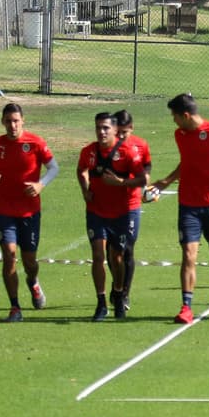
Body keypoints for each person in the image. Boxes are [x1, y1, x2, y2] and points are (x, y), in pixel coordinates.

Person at [151, 93, 209, 325]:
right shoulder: (180, 135)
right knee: (188, 255)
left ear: (185, 115)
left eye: (174, 116)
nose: (173, 121)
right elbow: (187, 162)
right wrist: (166, 181)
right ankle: (186, 307)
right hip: (188, 205)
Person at [0, 103, 59, 322]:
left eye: (16, 121)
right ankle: (15, 307)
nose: (12, 125)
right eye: (8, 121)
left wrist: (40, 185)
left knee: (29, 262)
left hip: (30, 212)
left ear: (23, 120)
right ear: (3, 122)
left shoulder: (35, 143)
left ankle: (33, 282)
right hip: (5, 211)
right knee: (9, 256)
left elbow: (54, 168)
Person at [77, 111, 150, 321]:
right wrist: (85, 189)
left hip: (122, 212)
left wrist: (121, 183)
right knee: (98, 256)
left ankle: (119, 293)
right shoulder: (88, 152)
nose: (101, 132)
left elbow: (142, 179)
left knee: (117, 257)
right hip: (96, 211)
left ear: (115, 130)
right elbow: (81, 170)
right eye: (98, 127)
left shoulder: (128, 152)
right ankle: (101, 303)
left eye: (106, 128)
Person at [111, 110, 151, 312]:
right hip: (109, 205)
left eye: (125, 132)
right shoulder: (108, 146)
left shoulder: (141, 145)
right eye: (118, 132)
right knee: (113, 251)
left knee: (127, 249)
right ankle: (117, 284)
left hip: (131, 204)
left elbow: (147, 166)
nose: (121, 137)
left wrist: (145, 188)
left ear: (131, 129)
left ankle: (124, 293)